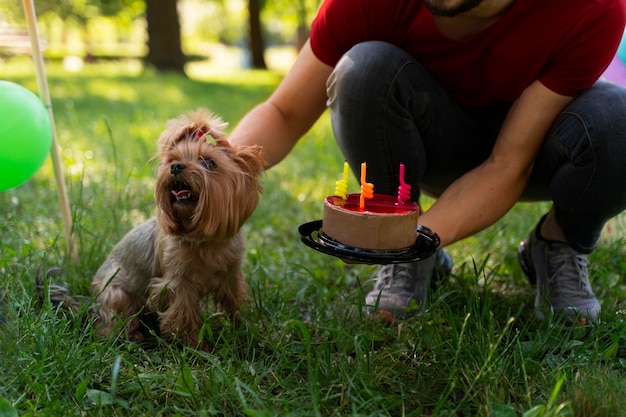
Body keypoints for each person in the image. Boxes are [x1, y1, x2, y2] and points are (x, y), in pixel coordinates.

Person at [228, 0, 626, 323]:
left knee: (618, 118)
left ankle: (558, 242)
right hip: (427, 142)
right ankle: (403, 240)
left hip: (531, 153)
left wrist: (404, 240)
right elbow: (284, 113)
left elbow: (507, 165)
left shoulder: (594, 7)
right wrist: (215, 171)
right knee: (362, 69)